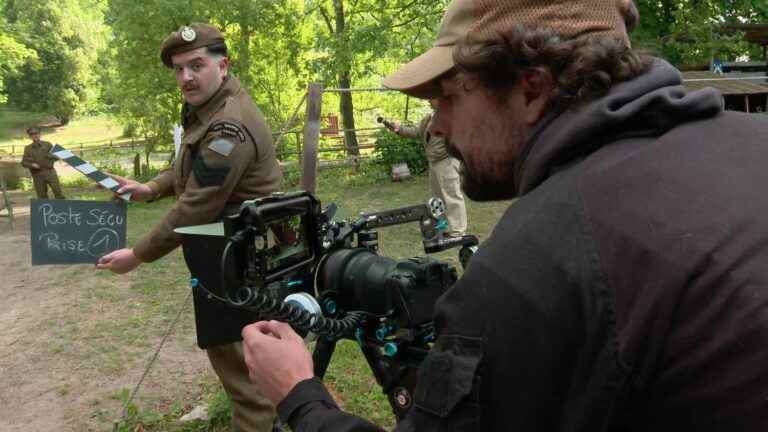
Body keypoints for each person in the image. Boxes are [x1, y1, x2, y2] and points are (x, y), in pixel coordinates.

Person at [240, 0, 768, 430]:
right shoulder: (755, 142)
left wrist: (300, 396)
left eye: (447, 97)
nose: (438, 126)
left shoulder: (536, 263)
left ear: (531, 88)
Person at [96, 23, 282, 431]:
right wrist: (151, 187)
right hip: (222, 250)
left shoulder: (228, 125)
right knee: (236, 358)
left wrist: (138, 255)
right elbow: (192, 168)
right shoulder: (210, 110)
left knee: (245, 373)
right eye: (179, 69)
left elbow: (197, 206)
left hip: (236, 259)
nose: (186, 77)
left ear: (223, 65)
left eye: (196, 65)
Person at [390, 100, 467, 236]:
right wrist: (399, 129)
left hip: (447, 161)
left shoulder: (452, 115)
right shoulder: (429, 117)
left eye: (431, 97)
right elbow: (415, 132)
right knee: (437, 198)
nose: (428, 100)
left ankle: (458, 230)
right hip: (434, 162)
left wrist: (450, 152)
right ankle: (441, 225)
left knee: (452, 195)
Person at [20, 127, 65, 199]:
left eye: (36, 133)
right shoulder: (28, 148)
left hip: (50, 172)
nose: (35, 135)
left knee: (58, 192)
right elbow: (23, 163)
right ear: (29, 136)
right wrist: (32, 165)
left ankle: (63, 209)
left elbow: (57, 157)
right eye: (32, 134)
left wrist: (51, 156)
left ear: (40, 134)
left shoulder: (47, 144)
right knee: (41, 196)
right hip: (37, 175)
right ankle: (45, 210)